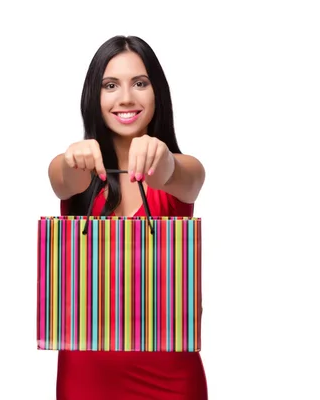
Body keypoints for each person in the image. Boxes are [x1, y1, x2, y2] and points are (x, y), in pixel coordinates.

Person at [47, 35, 208, 400]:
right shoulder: (71, 169)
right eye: (110, 85)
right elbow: (62, 180)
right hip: (85, 378)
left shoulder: (186, 169)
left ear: (157, 93)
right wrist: (75, 159)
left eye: (140, 83)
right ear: (94, 96)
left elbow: (182, 176)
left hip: (171, 380)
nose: (125, 98)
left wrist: (162, 159)